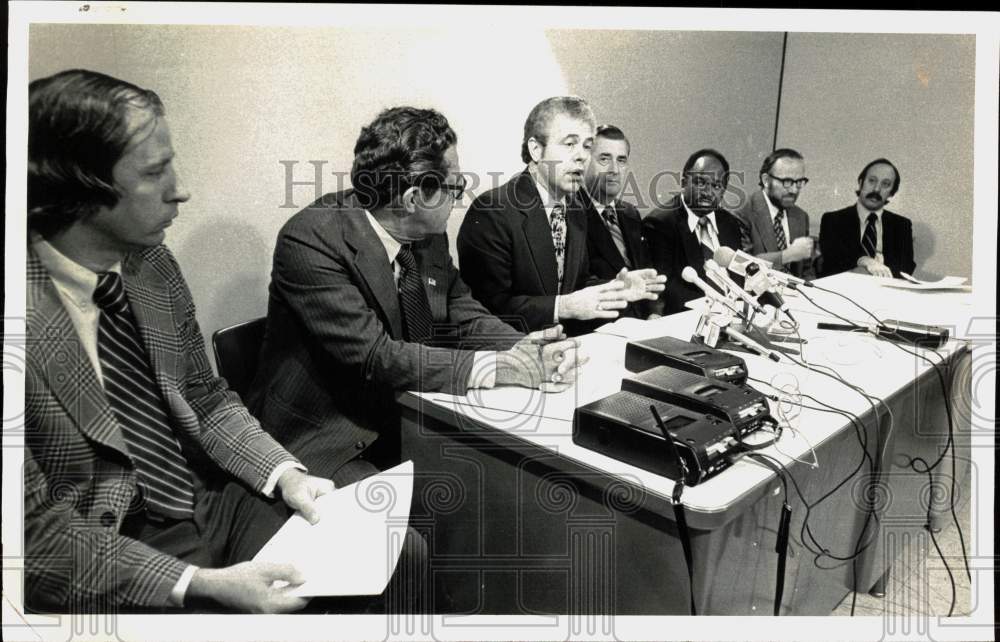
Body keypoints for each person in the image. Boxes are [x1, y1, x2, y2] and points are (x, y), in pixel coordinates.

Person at [24, 69, 334, 614]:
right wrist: (199, 582)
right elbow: (31, 535)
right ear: (79, 190)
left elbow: (203, 395)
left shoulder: (153, 265)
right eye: (154, 171)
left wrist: (284, 473)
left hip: (198, 496)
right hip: (104, 542)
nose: (181, 189)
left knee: (385, 553)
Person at [245, 106, 585, 481]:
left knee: (500, 482)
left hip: (408, 412)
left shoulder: (425, 233)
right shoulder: (311, 240)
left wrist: (525, 348)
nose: (459, 199)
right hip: (325, 439)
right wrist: (500, 368)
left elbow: (462, 312)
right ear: (412, 200)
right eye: (454, 188)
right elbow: (377, 357)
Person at [456, 96, 664, 334]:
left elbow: (574, 284)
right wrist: (562, 307)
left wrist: (614, 288)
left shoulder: (575, 209)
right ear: (536, 149)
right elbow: (487, 311)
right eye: (570, 144)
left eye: (587, 146)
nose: (582, 156)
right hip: (515, 350)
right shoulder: (492, 211)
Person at [642, 148, 744, 315]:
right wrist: (716, 309)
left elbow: (739, 277)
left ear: (723, 191)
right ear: (684, 182)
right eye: (700, 182)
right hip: (690, 317)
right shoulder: (660, 224)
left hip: (735, 315)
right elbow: (666, 289)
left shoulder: (729, 223)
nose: (707, 192)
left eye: (716, 186)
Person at [581, 125, 656, 319]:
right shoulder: (569, 216)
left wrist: (654, 314)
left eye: (621, 160)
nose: (614, 170)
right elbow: (575, 285)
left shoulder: (630, 214)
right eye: (604, 159)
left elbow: (647, 273)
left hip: (643, 326)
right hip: (599, 326)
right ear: (585, 161)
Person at [818, 158, 916, 278]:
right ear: (861, 183)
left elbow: (906, 267)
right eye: (872, 181)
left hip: (885, 287)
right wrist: (863, 260)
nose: (876, 189)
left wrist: (881, 265)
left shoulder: (902, 225)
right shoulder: (833, 220)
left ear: (892, 192)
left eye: (885, 184)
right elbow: (832, 260)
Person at [732, 148, 816, 279]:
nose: (794, 190)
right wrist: (787, 255)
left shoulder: (800, 216)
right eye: (787, 182)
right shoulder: (742, 213)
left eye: (799, 182)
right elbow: (741, 265)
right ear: (766, 180)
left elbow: (806, 271)